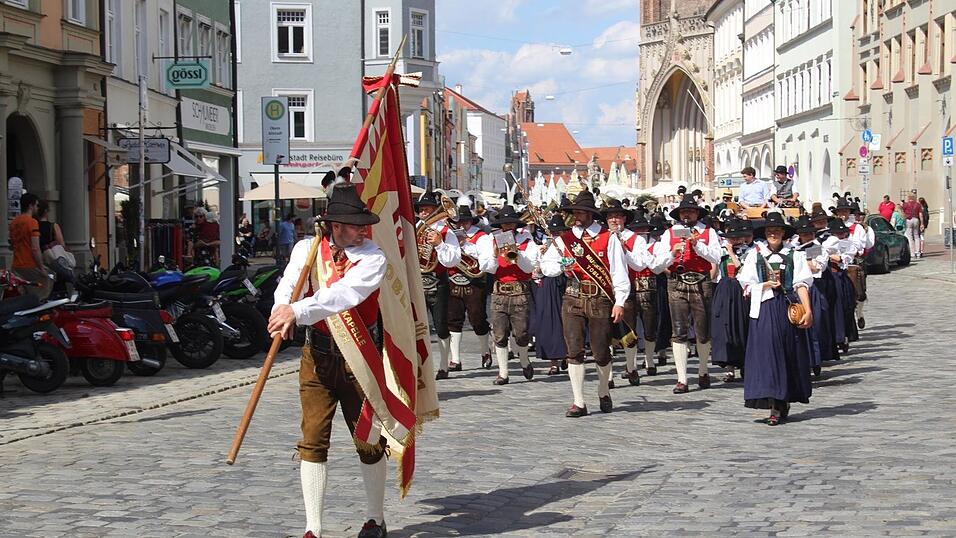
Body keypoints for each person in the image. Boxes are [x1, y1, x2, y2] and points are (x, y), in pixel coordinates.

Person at [268, 183, 390, 538]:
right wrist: (281, 307)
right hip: (318, 355)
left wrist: (297, 309)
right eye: (355, 224)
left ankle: (375, 518)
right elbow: (289, 282)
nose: (362, 230)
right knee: (312, 439)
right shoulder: (307, 249)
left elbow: (343, 295)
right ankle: (313, 528)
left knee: (367, 439)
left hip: (359, 358)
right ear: (335, 225)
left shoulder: (372, 258)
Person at [540, 190, 630, 416]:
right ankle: (578, 401)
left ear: (591, 214)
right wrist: (562, 266)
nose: (577, 216)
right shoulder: (564, 240)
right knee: (574, 350)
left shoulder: (608, 238)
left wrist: (620, 301)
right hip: (572, 297)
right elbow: (546, 267)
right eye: (575, 212)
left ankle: (603, 390)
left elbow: (619, 272)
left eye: (581, 212)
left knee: (601, 351)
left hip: (599, 298)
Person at [738, 212, 813, 425]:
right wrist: (763, 285)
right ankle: (773, 403)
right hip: (764, 307)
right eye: (770, 231)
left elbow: (801, 284)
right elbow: (745, 284)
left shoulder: (794, 255)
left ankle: (783, 399)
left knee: (787, 352)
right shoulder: (755, 255)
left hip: (787, 308)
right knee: (767, 354)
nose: (773, 234)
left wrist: (808, 311)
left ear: (783, 234)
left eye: (777, 231)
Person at [652, 194, 723, 394]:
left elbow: (717, 256)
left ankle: (703, 370)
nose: (687, 215)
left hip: (701, 282)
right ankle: (682, 378)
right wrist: (673, 254)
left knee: (702, 331)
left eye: (691, 211)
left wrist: (697, 245)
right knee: (678, 330)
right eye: (684, 212)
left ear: (697, 213)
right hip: (677, 282)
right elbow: (656, 266)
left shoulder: (708, 232)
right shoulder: (669, 233)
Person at [477, 205, 539, 385]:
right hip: (499, 291)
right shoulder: (490, 239)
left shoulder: (526, 239)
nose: (508, 228)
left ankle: (524, 359)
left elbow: (529, 268)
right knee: (499, 333)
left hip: (520, 291)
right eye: (505, 225)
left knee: (521, 334)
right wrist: (495, 255)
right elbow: (486, 268)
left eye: (511, 224)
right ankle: (503, 373)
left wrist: (517, 254)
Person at [602, 199, 653, 386]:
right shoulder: (601, 237)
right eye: (610, 217)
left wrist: (625, 251)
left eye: (617, 216)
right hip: (605, 289)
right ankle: (607, 375)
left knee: (628, 333)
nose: (614, 220)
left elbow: (640, 264)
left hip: (626, 289)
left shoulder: (636, 239)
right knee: (604, 333)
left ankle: (631, 367)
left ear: (624, 218)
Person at [438, 206, 492, 379]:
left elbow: (484, 256)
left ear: (471, 222)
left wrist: (465, 244)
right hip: (454, 280)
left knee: (477, 318)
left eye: (466, 221)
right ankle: (455, 359)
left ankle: (485, 352)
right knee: (453, 320)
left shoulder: (481, 237)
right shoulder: (449, 235)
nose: (462, 224)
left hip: (474, 281)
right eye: (459, 221)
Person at [416, 191, 462, 377]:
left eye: (427, 209)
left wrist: (439, 244)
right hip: (417, 280)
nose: (424, 213)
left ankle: (443, 365)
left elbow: (453, 260)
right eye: (421, 210)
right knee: (417, 325)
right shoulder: (414, 228)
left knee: (441, 325)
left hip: (437, 281)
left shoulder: (445, 231)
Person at [710, 217, 754, 383]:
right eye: (732, 237)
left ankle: (744, 363)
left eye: (738, 237)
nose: (735, 240)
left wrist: (731, 251)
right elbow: (713, 271)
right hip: (725, 289)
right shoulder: (719, 251)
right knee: (724, 326)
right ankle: (729, 368)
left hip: (741, 289)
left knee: (742, 326)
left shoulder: (748, 252)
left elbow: (740, 268)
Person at [533, 214, 570, 376]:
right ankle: (553, 360)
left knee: (566, 321)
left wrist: (562, 262)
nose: (555, 235)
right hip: (548, 284)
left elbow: (570, 262)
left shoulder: (566, 244)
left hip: (564, 281)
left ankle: (568, 354)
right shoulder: (545, 245)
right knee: (549, 322)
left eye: (558, 232)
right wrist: (541, 258)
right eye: (553, 232)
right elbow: (538, 270)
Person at [9, 193, 51, 299]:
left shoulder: (14, 222)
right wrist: (42, 268)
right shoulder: (32, 222)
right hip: (29, 264)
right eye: (36, 205)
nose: (37, 208)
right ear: (30, 206)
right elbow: (35, 248)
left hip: (16, 265)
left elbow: (12, 244)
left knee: (24, 293)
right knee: (47, 281)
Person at [901, 193, 923, 258]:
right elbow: (920, 214)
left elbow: (902, 212)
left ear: (908, 197)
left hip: (909, 220)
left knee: (909, 236)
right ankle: (918, 252)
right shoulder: (918, 204)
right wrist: (922, 223)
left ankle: (912, 253)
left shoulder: (906, 204)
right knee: (916, 236)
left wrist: (904, 218)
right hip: (916, 219)